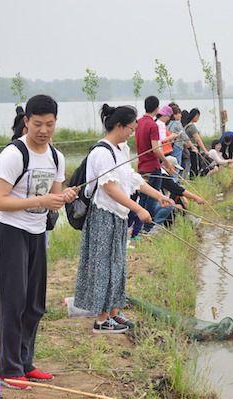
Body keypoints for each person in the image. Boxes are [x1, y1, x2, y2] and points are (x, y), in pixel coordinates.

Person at [0, 95, 78, 389]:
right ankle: (9, 369)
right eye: (37, 123)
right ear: (26, 122)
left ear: (55, 122)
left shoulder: (56, 157)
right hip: (9, 232)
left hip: (37, 233)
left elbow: (53, 198)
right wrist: (40, 199)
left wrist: (63, 198)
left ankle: (26, 363)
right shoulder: (14, 154)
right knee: (13, 303)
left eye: (49, 124)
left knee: (34, 304)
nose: (43, 130)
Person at [74, 104, 173, 334]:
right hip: (103, 216)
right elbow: (109, 188)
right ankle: (101, 320)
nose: (132, 132)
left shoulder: (121, 150)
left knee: (117, 265)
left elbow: (132, 179)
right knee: (103, 266)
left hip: (118, 215)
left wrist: (159, 196)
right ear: (118, 125)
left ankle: (113, 312)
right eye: (130, 128)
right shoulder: (101, 152)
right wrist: (138, 209)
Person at [135, 96, 175, 232]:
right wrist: (166, 163)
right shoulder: (153, 125)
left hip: (141, 167)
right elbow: (156, 149)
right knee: (152, 199)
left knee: (143, 199)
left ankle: (137, 229)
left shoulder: (138, 122)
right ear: (157, 109)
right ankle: (146, 229)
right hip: (152, 168)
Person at [184, 108, 212, 177]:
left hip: (188, 149)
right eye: (198, 117)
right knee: (194, 167)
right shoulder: (191, 126)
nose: (198, 118)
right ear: (195, 116)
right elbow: (198, 140)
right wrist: (205, 151)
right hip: (193, 149)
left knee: (192, 167)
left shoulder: (186, 125)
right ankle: (194, 180)